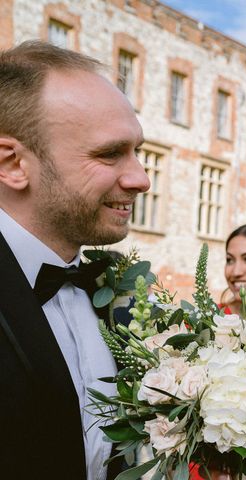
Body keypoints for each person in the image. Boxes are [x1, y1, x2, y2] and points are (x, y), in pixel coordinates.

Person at [0, 40, 150, 479]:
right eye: (109, 153)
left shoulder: (113, 290)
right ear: (12, 163)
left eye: (138, 151)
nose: (140, 178)